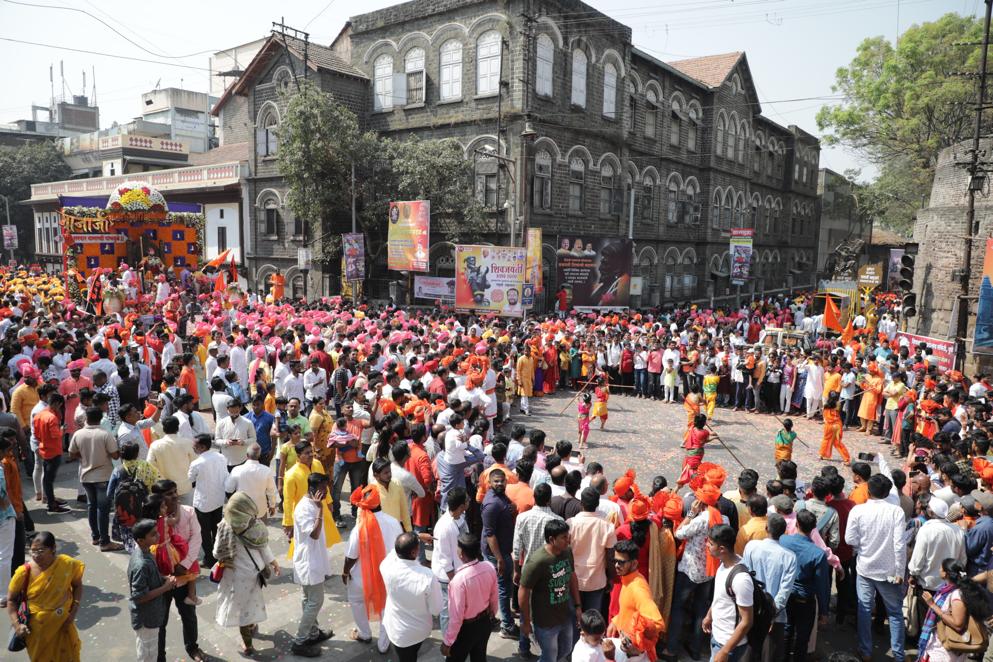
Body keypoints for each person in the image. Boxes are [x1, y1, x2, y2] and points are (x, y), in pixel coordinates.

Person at [845, 473, 907, 662]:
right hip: (889, 572)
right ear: (888, 492)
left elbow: (850, 539)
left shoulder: (858, 511)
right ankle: (898, 655)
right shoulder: (896, 512)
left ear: (868, 491)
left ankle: (866, 652)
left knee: (864, 609)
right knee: (895, 613)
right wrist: (899, 571)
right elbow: (899, 544)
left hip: (865, 567)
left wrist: (861, 546)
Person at [212, 491, 280, 656]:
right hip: (252, 573)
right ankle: (249, 635)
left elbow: (216, 553)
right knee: (249, 607)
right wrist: (274, 562)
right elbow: (263, 547)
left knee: (242, 609)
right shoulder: (254, 525)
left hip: (232, 576)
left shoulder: (224, 526)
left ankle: (248, 642)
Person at [342, 484, 404, 652]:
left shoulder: (360, 527)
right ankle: (383, 644)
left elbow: (351, 556)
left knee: (356, 601)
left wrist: (345, 572)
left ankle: (364, 633)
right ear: (380, 503)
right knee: (386, 607)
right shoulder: (393, 522)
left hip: (362, 577)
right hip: (388, 575)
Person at [150, 479, 206, 662]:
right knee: (161, 621)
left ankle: (192, 647)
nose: (175, 496)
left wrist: (185, 564)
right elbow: (145, 547)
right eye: (169, 493)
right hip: (162, 579)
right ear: (159, 498)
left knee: (188, 615)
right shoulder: (151, 519)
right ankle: (160, 657)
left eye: (175, 491)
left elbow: (196, 538)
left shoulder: (188, 512)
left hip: (184, 573)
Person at [6, 532, 84, 661]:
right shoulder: (24, 572)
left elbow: (77, 585)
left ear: (53, 548)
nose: (36, 556)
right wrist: (17, 625)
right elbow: (11, 600)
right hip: (37, 631)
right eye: (33, 551)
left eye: (41, 551)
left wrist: (74, 611)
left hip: (63, 625)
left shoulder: (67, 564)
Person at [519, 518, 581, 662]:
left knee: (566, 649)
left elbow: (572, 577)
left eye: (568, 535)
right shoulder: (537, 561)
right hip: (545, 622)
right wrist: (526, 621)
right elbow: (523, 590)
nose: (568, 540)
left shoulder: (567, 552)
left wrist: (578, 606)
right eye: (564, 537)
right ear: (552, 539)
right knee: (549, 657)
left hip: (565, 616)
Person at [741, 513, 797, 662]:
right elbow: (785, 591)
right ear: (784, 532)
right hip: (775, 616)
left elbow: (747, 578)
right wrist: (771, 614)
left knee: (747, 652)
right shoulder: (789, 557)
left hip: (751, 610)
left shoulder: (751, 547)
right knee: (769, 656)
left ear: (766, 528)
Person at [291, 472, 334, 657]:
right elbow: (314, 534)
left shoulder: (313, 504)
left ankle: (313, 633)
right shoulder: (304, 508)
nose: (326, 492)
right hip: (308, 561)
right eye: (323, 489)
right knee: (315, 601)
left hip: (314, 558)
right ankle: (300, 641)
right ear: (313, 489)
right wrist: (320, 510)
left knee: (309, 600)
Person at [381, 531, 443, 662]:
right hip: (418, 630)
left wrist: (417, 537)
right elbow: (436, 610)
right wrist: (417, 536)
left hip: (396, 630)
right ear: (414, 553)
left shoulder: (386, 566)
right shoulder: (427, 576)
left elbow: (395, 550)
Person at [779, 510, 831, 662]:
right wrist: (824, 611)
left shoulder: (783, 540)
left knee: (786, 632)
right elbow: (822, 585)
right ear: (813, 528)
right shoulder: (818, 553)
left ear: (797, 524)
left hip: (786, 596)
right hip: (805, 601)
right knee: (802, 639)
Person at [68, 405, 122, 550]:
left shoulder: (78, 434)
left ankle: (96, 537)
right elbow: (115, 455)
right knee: (102, 510)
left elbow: (71, 454)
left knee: (92, 507)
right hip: (103, 476)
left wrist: (85, 458)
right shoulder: (105, 434)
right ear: (100, 418)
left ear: (87, 418)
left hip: (86, 477)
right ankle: (105, 541)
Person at [918, 559, 992, 662]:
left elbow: (958, 624)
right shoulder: (946, 590)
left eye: (941, 568)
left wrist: (933, 605)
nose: (939, 570)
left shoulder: (956, 594)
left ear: (946, 574)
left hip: (944, 653)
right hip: (939, 647)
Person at [442, 532, 499, 662]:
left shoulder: (459, 580)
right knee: (479, 657)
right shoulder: (489, 567)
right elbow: (494, 598)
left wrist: (448, 642)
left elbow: (456, 617)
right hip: (484, 621)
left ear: (461, 554)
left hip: (466, 629)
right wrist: (491, 616)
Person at [129, 519, 181, 662]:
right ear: (140, 540)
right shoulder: (141, 563)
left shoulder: (146, 553)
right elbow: (139, 597)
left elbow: (149, 579)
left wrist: (163, 578)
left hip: (152, 614)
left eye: (157, 532)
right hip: (146, 619)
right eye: (153, 534)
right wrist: (165, 587)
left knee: (151, 653)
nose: (158, 536)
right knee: (147, 656)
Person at [607, 539, 665, 660]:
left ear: (634, 564)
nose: (617, 565)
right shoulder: (627, 579)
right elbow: (629, 610)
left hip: (634, 655)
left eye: (621, 562)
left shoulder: (638, 588)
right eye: (615, 561)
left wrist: (637, 645)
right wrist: (616, 621)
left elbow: (657, 623)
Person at [703, 523, 753, 662]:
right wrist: (709, 615)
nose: (707, 545)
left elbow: (747, 621)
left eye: (711, 543)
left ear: (722, 549)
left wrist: (725, 651)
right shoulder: (723, 564)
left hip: (729, 645)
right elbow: (720, 596)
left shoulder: (741, 579)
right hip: (717, 637)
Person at [481, 468, 518, 639]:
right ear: (490, 483)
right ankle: (507, 626)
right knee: (504, 589)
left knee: (498, 587)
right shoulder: (492, 504)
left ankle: (492, 616)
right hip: (497, 553)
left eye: (502, 481)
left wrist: (511, 507)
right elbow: (490, 535)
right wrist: (499, 559)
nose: (500, 483)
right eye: (496, 481)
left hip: (502, 550)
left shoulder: (500, 497)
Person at [571, 487, 617, 613]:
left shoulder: (571, 524)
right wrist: (611, 577)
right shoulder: (608, 526)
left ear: (581, 503)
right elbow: (610, 556)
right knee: (592, 619)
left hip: (574, 581)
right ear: (597, 504)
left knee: (574, 619)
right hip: (597, 581)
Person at [187, 434, 228, 568]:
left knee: (204, 532)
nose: (193, 447)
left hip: (203, 503)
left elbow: (190, 478)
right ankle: (218, 555)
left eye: (195, 446)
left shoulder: (197, 463)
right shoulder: (221, 457)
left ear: (202, 447)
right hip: (218, 499)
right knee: (216, 529)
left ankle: (209, 559)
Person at [432, 487, 469, 636]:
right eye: (467, 500)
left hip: (459, 572)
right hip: (447, 578)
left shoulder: (460, 517)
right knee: (447, 613)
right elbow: (445, 559)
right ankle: (448, 647)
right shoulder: (444, 527)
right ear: (461, 505)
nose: (470, 501)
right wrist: (454, 581)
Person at [146, 415, 195, 503]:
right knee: (187, 514)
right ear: (177, 428)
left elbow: (149, 465)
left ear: (163, 429)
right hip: (185, 486)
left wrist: (161, 479)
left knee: (168, 514)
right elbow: (195, 463)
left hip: (165, 489)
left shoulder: (155, 445)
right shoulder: (187, 443)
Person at [34, 393, 67, 514]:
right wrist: (62, 430)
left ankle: (51, 500)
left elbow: (36, 435)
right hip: (54, 451)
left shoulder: (39, 415)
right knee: (49, 479)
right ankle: (52, 504)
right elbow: (56, 435)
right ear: (57, 404)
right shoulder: (51, 418)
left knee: (47, 479)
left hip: (44, 449)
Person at [225, 442, 277, 518]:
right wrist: (272, 506)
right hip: (260, 510)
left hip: (241, 509)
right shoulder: (267, 471)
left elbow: (228, 489)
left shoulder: (237, 470)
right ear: (259, 455)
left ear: (247, 455)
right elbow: (271, 491)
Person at [214, 397, 256, 470]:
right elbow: (217, 440)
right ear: (227, 410)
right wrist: (225, 442)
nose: (233, 414)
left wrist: (244, 442)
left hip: (242, 460)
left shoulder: (248, 423)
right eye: (231, 412)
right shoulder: (221, 423)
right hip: (226, 460)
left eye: (236, 412)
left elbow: (254, 439)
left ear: (240, 409)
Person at [819, 391, 850, 463]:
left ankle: (822, 454)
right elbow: (837, 408)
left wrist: (823, 409)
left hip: (829, 426)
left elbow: (825, 415)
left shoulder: (826, 405)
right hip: (837, 426)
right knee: (837, 442)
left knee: (826, 440)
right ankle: (846, 459)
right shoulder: (838, 404)